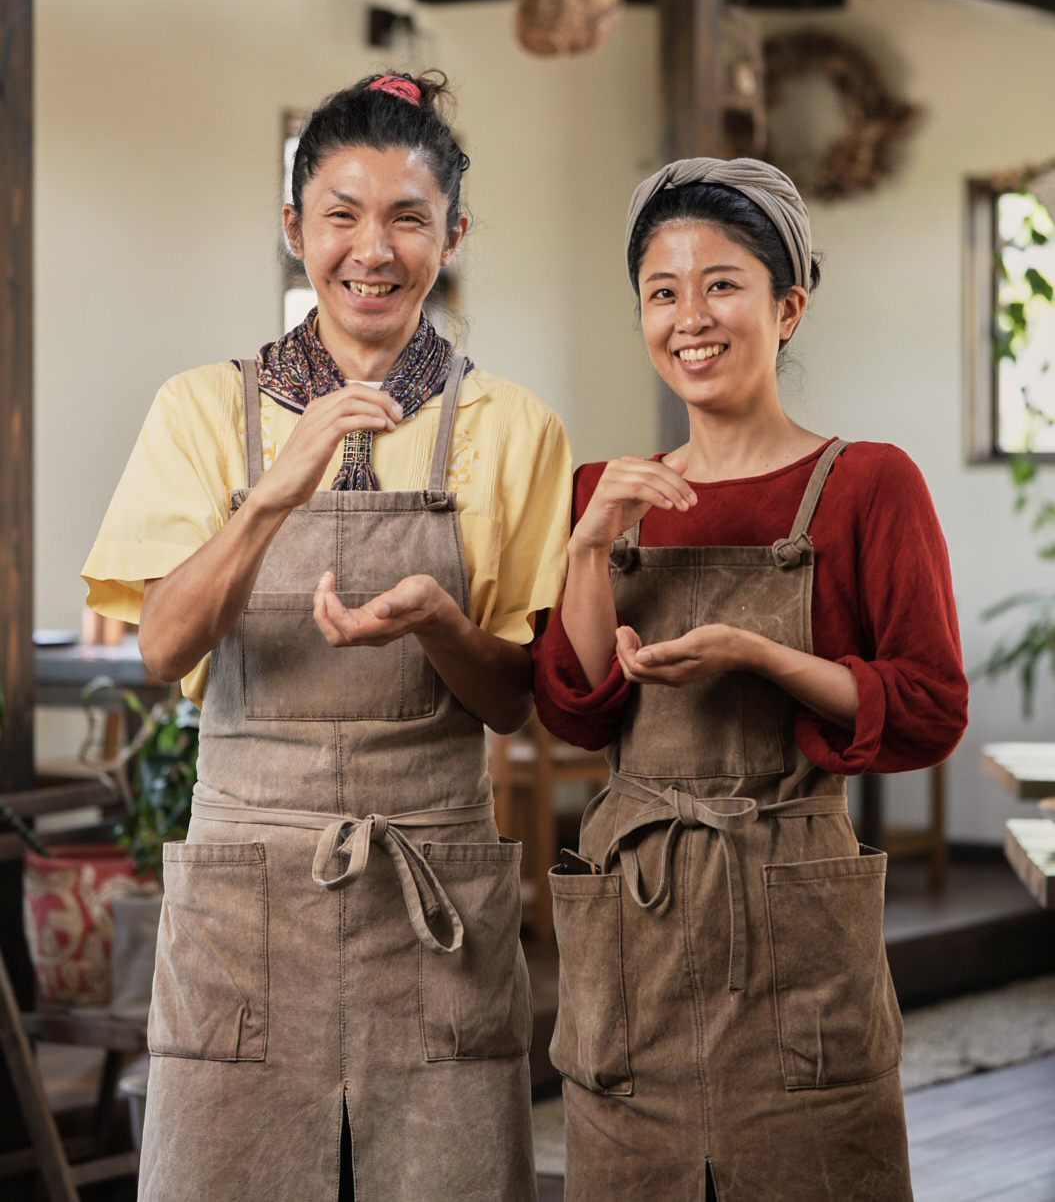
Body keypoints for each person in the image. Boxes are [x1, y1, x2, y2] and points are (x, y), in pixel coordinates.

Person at [83, 72, 571, 1202]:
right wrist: (272, 492)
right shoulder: (203, 408)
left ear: (450, 234)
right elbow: (162, 645)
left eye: (407, 216)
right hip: (247, 901)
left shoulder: (512, 428)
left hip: (429, 888)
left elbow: (511, 698)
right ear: (292, 224)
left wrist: (441, 619)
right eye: (341, 212)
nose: (372, 247)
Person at [532, 157, 968, 1202]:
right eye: (661, 291)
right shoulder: (604, 490)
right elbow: (571, 706)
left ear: (787, 306)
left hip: (792, 913)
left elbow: (928, 703)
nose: (691, 316)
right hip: (634, 927)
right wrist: (590, 547)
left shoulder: (867, 481)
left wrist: (762, 655)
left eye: (721, 283)